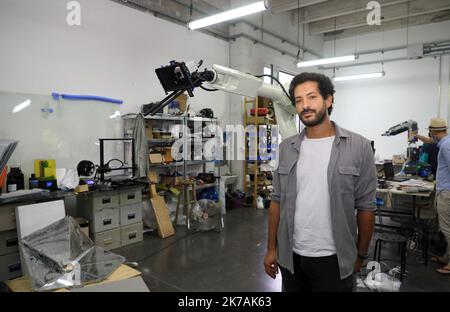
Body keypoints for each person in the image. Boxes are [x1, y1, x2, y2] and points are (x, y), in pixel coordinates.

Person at [263, 72, 377, 292]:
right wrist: (271, 249)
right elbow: (276, 202)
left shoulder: (359, 147)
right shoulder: (287, 148)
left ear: (328, 99)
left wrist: (360, 254)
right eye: (298, 100)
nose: (305, 105)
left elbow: (366, 207)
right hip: (291, 257)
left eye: (311, 97)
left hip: (335, 259)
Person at [427, 118, 450, 275]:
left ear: (434, 132)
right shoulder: (445, 142)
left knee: (447, 229)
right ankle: (447, 257)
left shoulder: (446, 146)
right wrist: (416, 136)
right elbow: (431, 141)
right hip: (445, 190)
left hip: (447, 192)